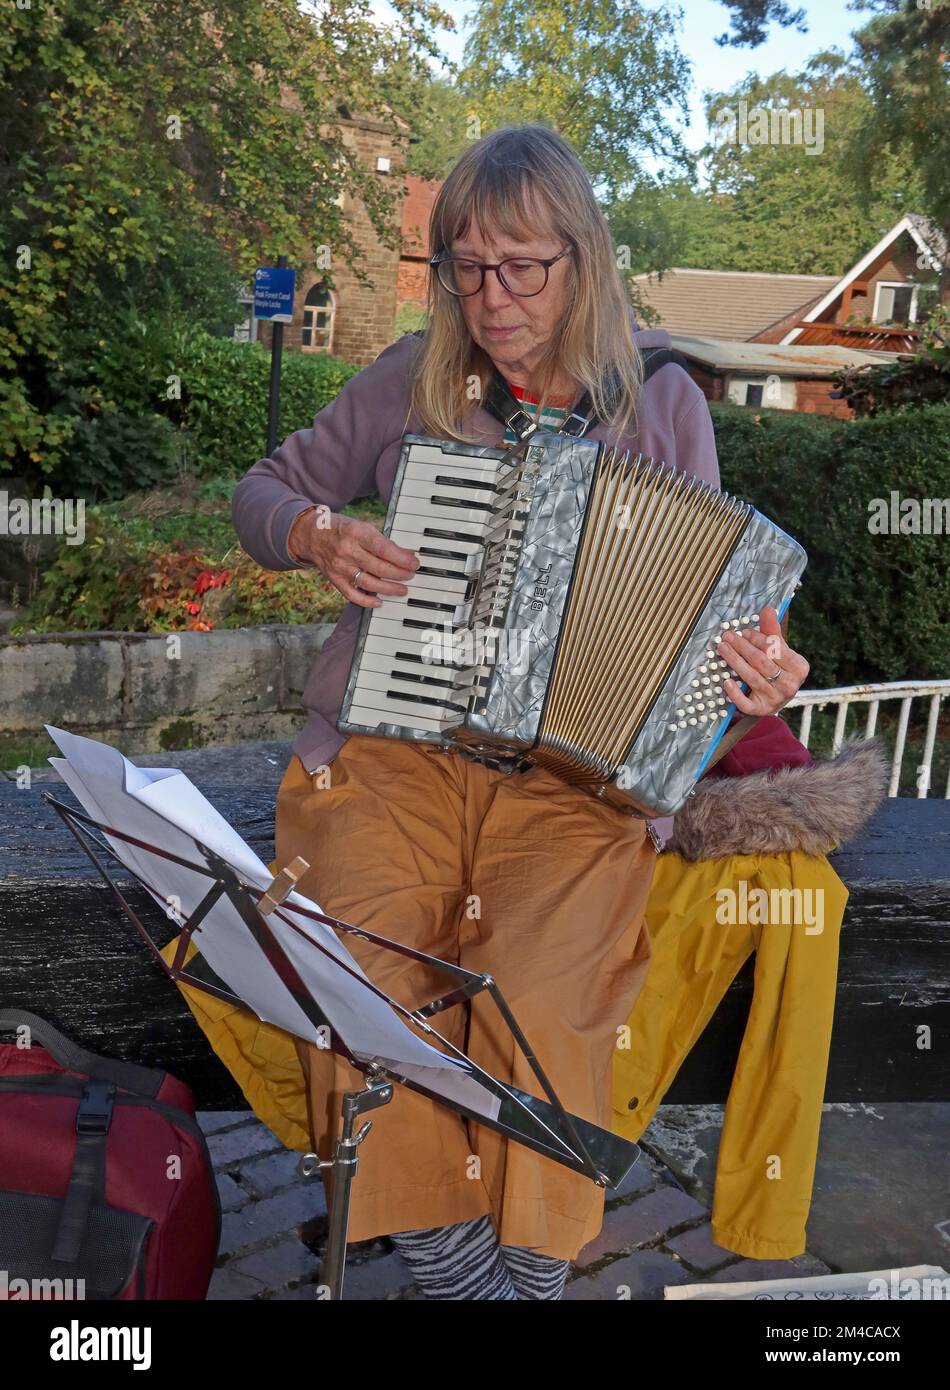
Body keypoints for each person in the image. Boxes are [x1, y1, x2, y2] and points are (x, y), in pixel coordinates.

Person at [230, 123, 814, 1300]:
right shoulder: (412, 376)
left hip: (572, 783)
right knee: (360, 951)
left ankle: (523, 1273)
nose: (490, 299)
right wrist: (316, 534)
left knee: (545, 990)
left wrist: (751, 673)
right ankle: (457, 1271)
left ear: (581, 258)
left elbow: (697, 623)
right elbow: (266, 488)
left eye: (521, 267)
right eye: (464, 267)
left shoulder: (659, 403)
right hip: (398, 747)